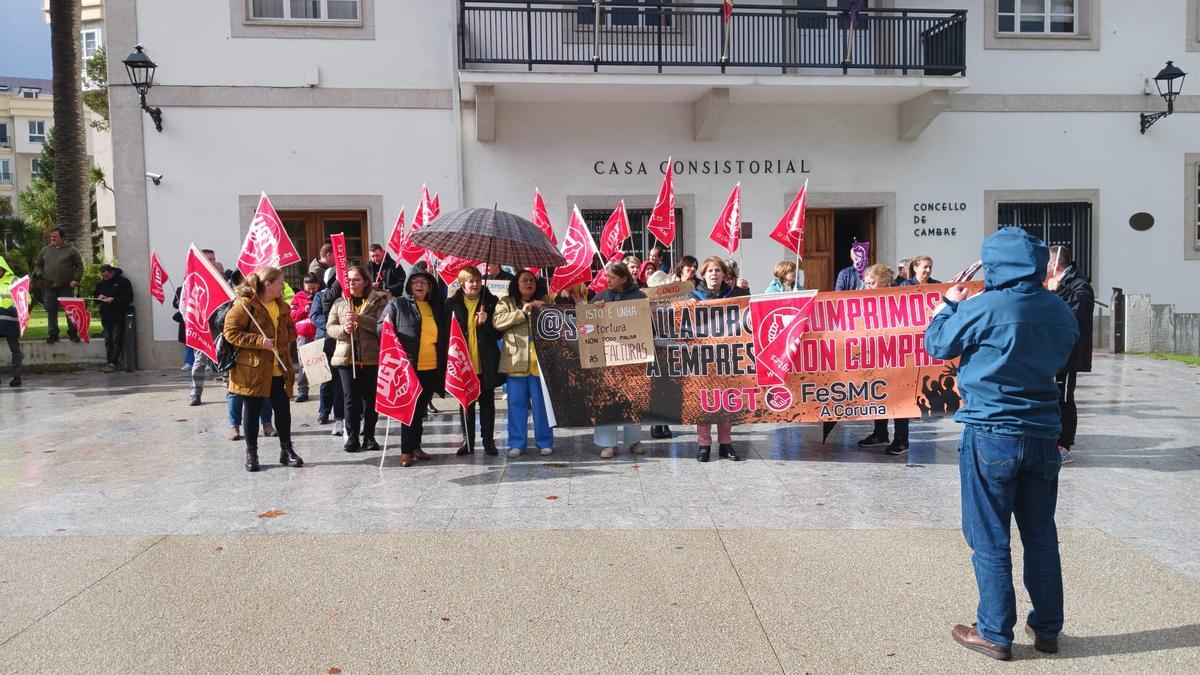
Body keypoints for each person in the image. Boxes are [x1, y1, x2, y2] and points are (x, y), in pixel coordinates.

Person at [924, 228, 1077, 661]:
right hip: (1043, 433)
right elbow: (1062, 356)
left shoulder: (984, 305)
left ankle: (994, 631)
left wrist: (948, 305)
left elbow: (937, 344)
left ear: (993, 265)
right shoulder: (1059, 310)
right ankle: (1047, 628)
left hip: (991, 431)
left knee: (990, 537)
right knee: (1041, 535)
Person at [223, 266, 303, 472]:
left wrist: (287, 336)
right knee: (251, 411)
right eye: (280, 283)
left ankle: (287, 450)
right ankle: (252, 453)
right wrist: (259, 341)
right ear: (268, 284)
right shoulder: (245, 305)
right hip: (254, 369)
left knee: (283, 411)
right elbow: (230, 332)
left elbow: (290, 330)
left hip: (279, 367)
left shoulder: (281, 306)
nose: (283, 287)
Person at [379, 271, 449, 466]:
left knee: (420, 410)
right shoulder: (397, 304)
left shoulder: (435, 306)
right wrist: (387, 329)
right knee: (409, 409)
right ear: (409, 285)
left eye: (424, 283)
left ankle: (416, 446)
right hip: (409, 366)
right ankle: (406, 451)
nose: (420, 285)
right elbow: (380, 327)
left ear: (430, 287)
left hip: (432, 366)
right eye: (416, 282)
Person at [328, 265, 390, 453]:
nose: (352, 283)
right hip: (347, 358)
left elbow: (382, 325)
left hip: (370, 358)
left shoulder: (378, 300)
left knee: (370, 400)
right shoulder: (340, 302)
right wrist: (343, 330)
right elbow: (330, 327)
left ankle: (369, 436)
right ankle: (352, 436)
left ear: (365, 282)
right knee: (350, 399)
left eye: (356, 280)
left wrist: (359, 319)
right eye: (349, 280)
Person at [692, 257, 749, 462]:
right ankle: (704, 445)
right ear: (703, 275)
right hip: (703, 357)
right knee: (705, 402)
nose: (714, 274)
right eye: (709, 271)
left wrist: (746, 293)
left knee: (727, 401)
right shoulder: (693, 297)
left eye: (717, 270)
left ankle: (725, 443)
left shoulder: (737, 295)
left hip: (729, 356)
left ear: (725, 274)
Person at [494, 269, 554, 458]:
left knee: (541, 406)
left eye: (532, 281)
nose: (529, 283)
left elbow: (557, 321)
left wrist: (544, 309)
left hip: (540, 363)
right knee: (516, 404)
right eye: (524, 280)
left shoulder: (545, 300)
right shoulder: (506, 302)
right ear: (517, 284)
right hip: (515, 360)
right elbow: (497, 322)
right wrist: (522, 312)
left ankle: (544, 442)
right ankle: (516, 444)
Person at [590, 262, 646, 459]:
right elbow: (587, 323)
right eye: (607, 277)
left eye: (612, 277)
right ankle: (607, 444)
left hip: (632, 358)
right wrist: (595, 311)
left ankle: (634, 440)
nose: (608, 280)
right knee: (607, 400)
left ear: (623, 278)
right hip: (607, 358)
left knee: (633, 399)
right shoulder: (601, 297)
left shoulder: (639, 297)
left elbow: (647, 325)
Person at [447, 266, 504, 456]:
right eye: (470, 281)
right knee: (466, 404)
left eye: (478, 281)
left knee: (487, 403)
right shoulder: (451, 304)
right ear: (462, 283)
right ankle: (468, 442)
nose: (475, 284)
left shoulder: (491, 302)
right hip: (463, 364)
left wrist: (486, 322)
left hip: (485, 362)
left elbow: (498, 333)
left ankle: (488, 441)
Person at [855, 264, 911, 456]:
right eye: (866, 283)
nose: (867, 287)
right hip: (878, 354)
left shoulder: (901, 298)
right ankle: (880, 433)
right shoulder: (866, 299)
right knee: (880, 393)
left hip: (898, 355)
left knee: (901, 396)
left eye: (871, 283)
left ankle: (902, 439)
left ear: (885, 282)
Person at [1047, 245, 1094, 465]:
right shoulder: (1060, 284)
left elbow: (1070, 315)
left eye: (1048, 262)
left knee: (1064, 397)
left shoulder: (1079, 285)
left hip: (1068, 354)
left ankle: (1064, 445)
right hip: (1053, 351)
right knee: (1053, 396)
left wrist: (1056, 294)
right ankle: (1051, 440)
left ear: (1057, 263)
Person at [33, 227, 84, 344]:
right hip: (49, 286)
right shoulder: (45, 250)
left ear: (62, 237)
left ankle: (73, 334)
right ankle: (53, 334)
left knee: (70, 310)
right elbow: (37, 264)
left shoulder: (71, 250)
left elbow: (79, 265)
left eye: (55, 236)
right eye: (51, 236)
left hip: (67, 286)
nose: (52, 238)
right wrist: (40, 273)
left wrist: (76, 279)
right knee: (51, 310)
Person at [311, 268, 346, 433]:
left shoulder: (346, 297)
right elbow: (315, 316)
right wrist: (332, 327)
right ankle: (324, 411)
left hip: (343, 342)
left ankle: (342, 416)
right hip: (325, 339)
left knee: (340, 382)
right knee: (325, 380)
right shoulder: (321, 295)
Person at [94, 264, 134, 372]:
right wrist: (99, 298)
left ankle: (114, 361)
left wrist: (114, 299)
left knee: (116, 338)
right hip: (106, 314)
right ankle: (110, 361)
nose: (105, 278)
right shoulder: (101, 283)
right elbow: (95, 298)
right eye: (103, 276)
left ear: (112, 272)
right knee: (108, 339)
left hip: (118, 314)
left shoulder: (123, 282)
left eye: (107, 276)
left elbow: (129, 297)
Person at [290, 273, 320, 403]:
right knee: (303, 364)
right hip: (304, 334)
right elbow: (292, 316)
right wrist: (304, 310)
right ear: (304, 286)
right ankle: (302, 390)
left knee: (321, 363)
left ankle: (325, 390)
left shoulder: (322, 295)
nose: (311, 291)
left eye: (314, 288)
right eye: (308, 289)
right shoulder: (297, 297)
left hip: (318, 333)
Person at [0, 255, 23, 387]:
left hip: (11, 321)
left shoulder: (15, 280)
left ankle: (16, 377)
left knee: (15, 350)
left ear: (3, 268)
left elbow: (26, 298)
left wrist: (14, 308)